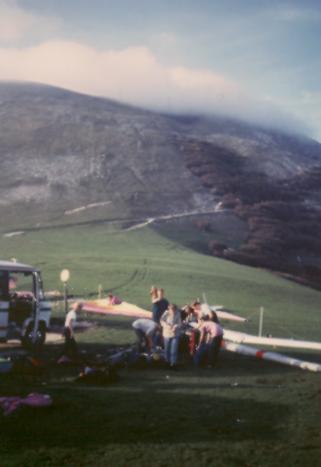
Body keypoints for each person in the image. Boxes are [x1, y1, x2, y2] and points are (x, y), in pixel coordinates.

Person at [160, 303, 181, 369]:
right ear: (169, 309)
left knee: (174, 350)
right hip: (167, 334)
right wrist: (167, 326)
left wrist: (176, 326)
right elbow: (161, 321)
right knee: (167, 349)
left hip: (175, 334)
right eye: (171, 310)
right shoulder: (166, 313)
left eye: (174, 310)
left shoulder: (178, 313)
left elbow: (179, 323)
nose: (173, 312)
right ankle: (167, 362)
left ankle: (173, 364)